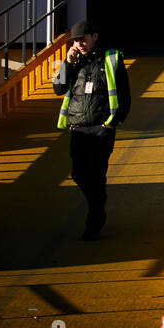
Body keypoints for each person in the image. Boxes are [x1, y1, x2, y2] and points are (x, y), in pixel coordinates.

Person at [53, 20, 130, 240]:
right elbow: (57, 88)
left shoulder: (111, 58)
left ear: (94, 36)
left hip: (100, 128)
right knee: (78, 173)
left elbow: (124, 96)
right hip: (77, 127)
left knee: (96, 174)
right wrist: (67, 63)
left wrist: (111, 124)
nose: (80, 44)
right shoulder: (71, 61)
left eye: (83, 39)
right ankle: (98, 203)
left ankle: (94, 223)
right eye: (76, 41)